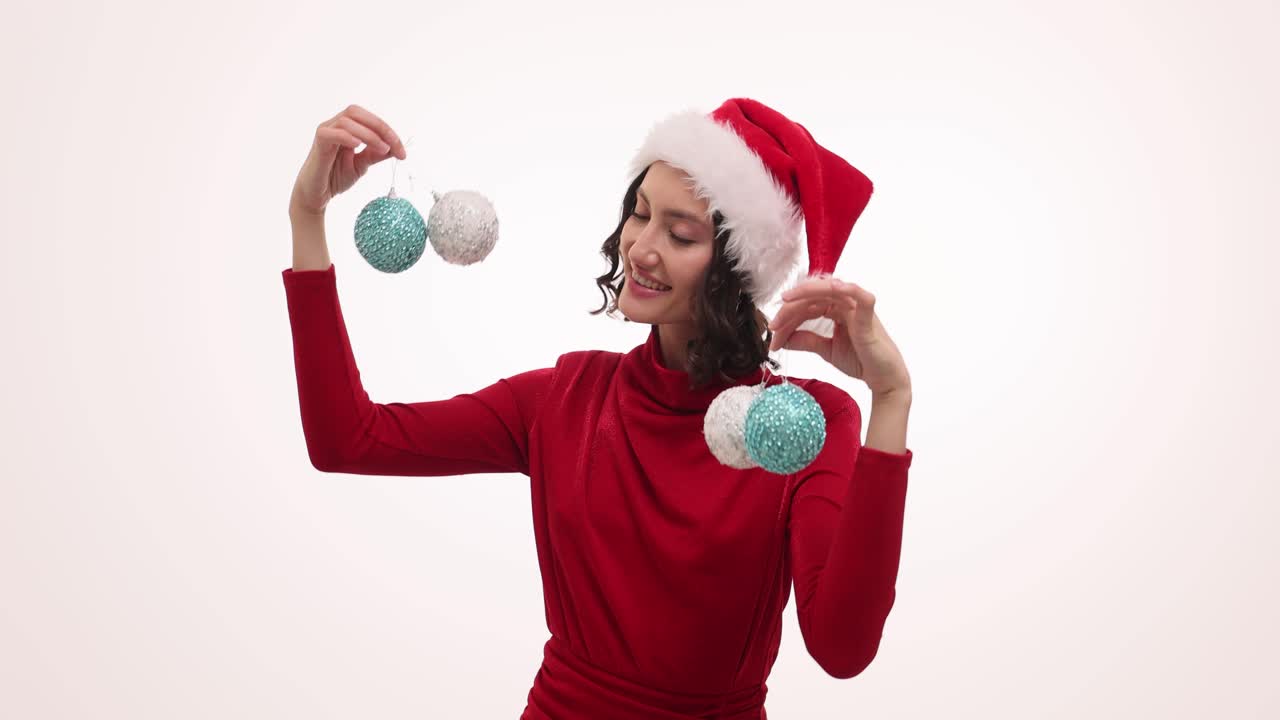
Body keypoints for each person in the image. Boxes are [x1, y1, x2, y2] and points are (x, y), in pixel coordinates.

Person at [283, 100, 914, 720]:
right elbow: (349, 439)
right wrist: (306, 215)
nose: (640, 248)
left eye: (681, 233)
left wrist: (890, 401)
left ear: (737, 266)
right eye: (639, 214)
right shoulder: (565, 397)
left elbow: (842, 649)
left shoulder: (804, 425)